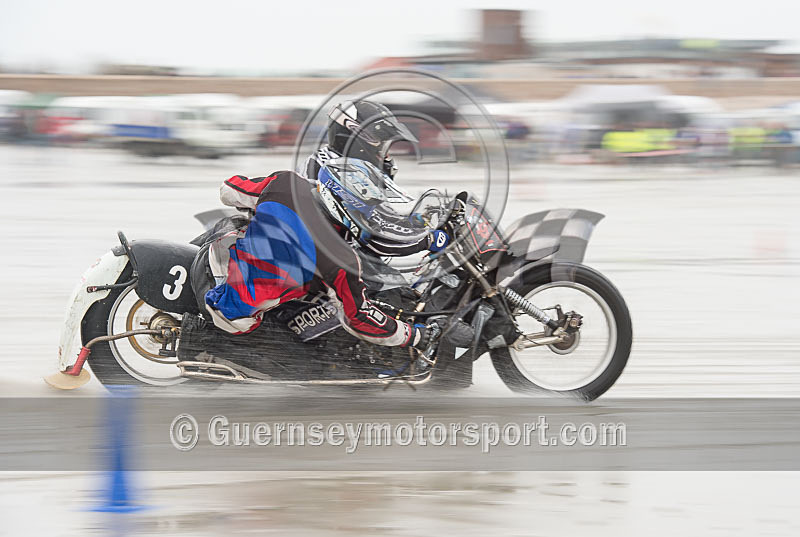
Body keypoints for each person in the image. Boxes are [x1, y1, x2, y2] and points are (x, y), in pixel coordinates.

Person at [189, 99, 451, 355]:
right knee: (342, 306)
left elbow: (229, 189)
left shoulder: (287, 183)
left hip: (219, 270)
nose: (386, 154)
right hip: (240, 315)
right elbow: (360, 316)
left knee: (241, 232)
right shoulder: (341, 255)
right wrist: (415, 336)